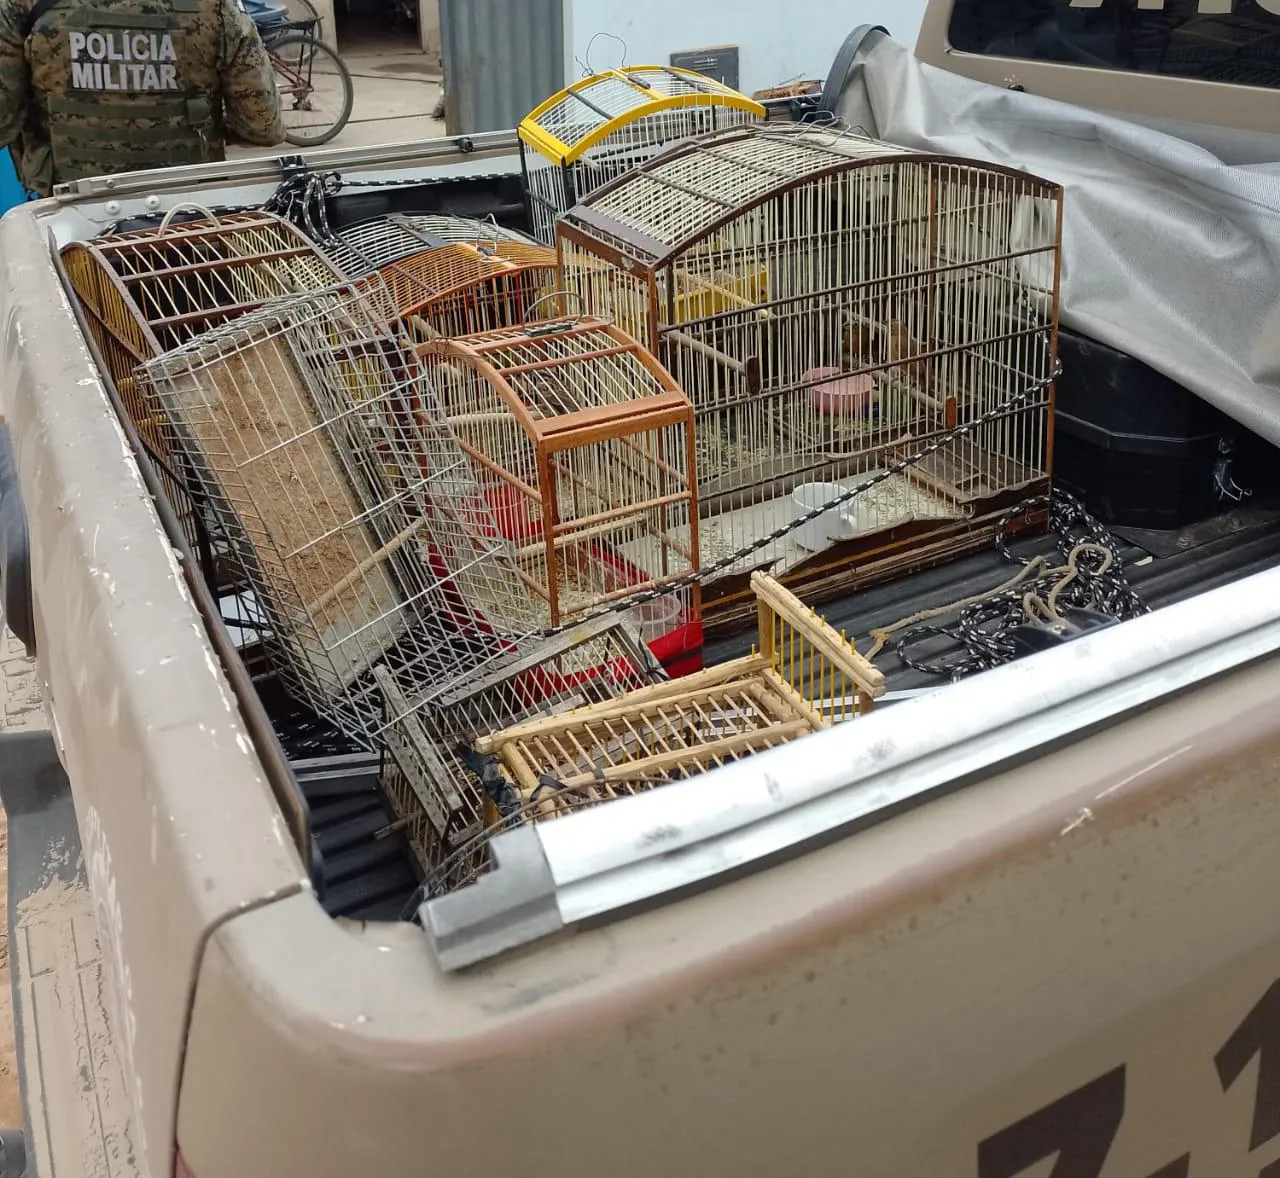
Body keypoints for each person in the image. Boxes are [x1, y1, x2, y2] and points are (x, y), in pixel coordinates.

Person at [0, 0, 284, 196]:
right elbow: (263, 126)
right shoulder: (217, 7)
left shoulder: (21, 7)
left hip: (69, 213)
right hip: (190, 214)